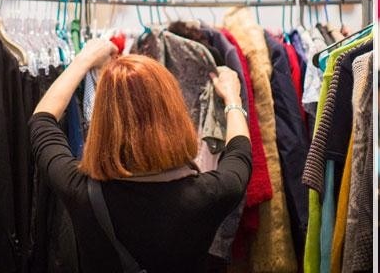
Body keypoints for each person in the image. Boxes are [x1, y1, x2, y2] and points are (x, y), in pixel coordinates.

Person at [30, 38, 252, 272]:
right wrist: (232, 98)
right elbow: (240, 153)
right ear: (174, 114)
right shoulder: (211, 193)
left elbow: (42, 121)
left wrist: (83, 60)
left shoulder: (79, 190)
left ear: (103, 121)